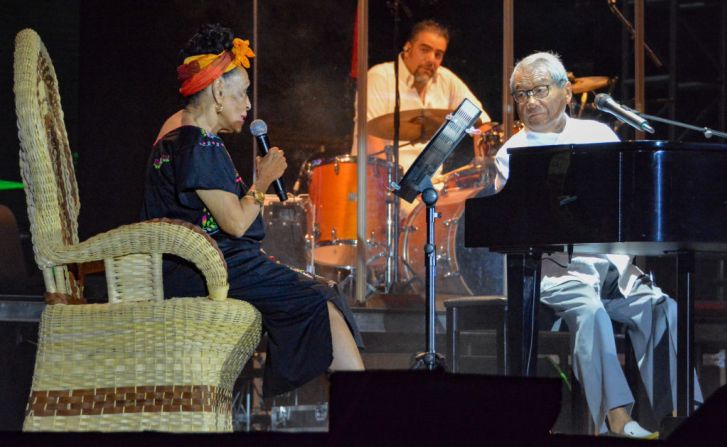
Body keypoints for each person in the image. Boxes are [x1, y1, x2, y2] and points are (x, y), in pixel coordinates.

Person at [141, 23, 364, 398]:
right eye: (241, 95)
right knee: (321, 297)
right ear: (216, 90)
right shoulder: (198, 141)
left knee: (316, 293)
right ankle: (365, 407)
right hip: (206, 269)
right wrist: (262, 183)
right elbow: (235, 223)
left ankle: (352, 397)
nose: (247, 106)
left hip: (193, 264)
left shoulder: (176, 128)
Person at [493, 51, 702, 438]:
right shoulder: (512, 154)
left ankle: (687, 418)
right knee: (591, 314)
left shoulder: (600, 136)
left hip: (614, 269)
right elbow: (517, 228)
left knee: (663, 309)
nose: (530, 102)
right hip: (559, 274)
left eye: (539, 90)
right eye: (521, 95)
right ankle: (617, 421)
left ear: (565, 91)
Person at [352, 19, 491, 179]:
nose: (432, 59)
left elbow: (482, 123)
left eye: (438, 54)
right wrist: (393, 190)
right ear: (407, 47)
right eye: (424, 50)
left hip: (429, 188)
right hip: (379, 185)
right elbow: (371, 139)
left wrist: (483, 163)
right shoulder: (380, 77)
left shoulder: (446, 80)